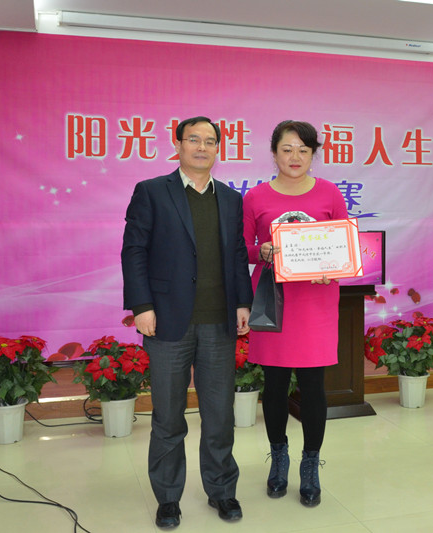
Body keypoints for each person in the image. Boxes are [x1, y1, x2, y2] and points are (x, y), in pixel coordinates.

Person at [121, 116, 253, 529]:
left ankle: (222, 489)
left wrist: (243, 302)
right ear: (177, 145)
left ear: (218, 149)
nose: (201, 147)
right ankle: (167, 497)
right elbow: (134, 251)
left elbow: (237, 254)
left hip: (218, 323)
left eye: (210, 141)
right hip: (166, 323)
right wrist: (142, 305)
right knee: (168, 416)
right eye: (193, 139)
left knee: (220, 415)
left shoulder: (230, 198)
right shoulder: (151, 191)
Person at [242, 120, 347, 507]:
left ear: (313, 154)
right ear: (274, 153)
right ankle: (279, 458)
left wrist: (333, 266)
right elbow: (242, 248)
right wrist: (262, 251)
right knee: (274, 386)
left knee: (314, 386)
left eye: (303, 150)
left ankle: (310, 463)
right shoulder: (255, 197)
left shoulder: (329, 192)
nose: (295, 157)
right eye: (287, 149)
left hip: (315, 302)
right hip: (273, 301)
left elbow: (341, 245)